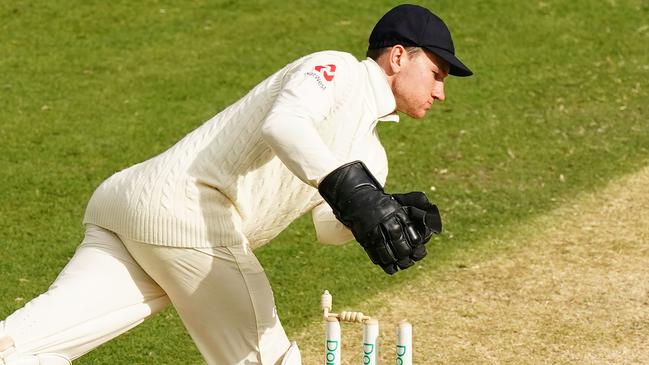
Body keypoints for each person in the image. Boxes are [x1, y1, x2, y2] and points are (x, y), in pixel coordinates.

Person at [0, 4, 472, 365]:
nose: (440, 92)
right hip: (186, 211)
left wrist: (383, 214)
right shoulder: (337, 70)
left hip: (138, 213)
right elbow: (285, 125)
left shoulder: (372, 155)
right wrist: (357, 193)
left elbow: (328, 226)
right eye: (435, 73)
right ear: (396, 57)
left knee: (24, 344)